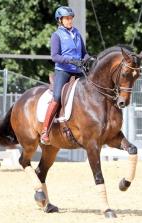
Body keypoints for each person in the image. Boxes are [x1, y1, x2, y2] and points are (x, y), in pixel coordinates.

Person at [40, 6, 94, 145]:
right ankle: (45, 130)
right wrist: (70, 60)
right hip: (63, 70)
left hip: (78, 70)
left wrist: (89, 58)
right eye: (67, 19)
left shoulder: (77, 33)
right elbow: (54, 56)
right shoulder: (56, 35)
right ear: (60, 20)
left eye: (71, 18)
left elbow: (84, 52)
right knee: (57, 97)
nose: (70, 21)